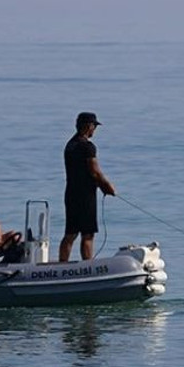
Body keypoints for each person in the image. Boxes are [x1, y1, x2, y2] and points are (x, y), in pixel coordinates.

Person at [59, 112, 117, 262]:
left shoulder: (70, 145)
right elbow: (95, 172)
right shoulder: (88, 147)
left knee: (70, 233)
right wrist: (108, 187)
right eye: (94, 127)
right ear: (88, 126)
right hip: (85, 196)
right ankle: (88, 265)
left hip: (71, 194)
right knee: (88, 234)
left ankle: (62, 264)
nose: (94, 130)